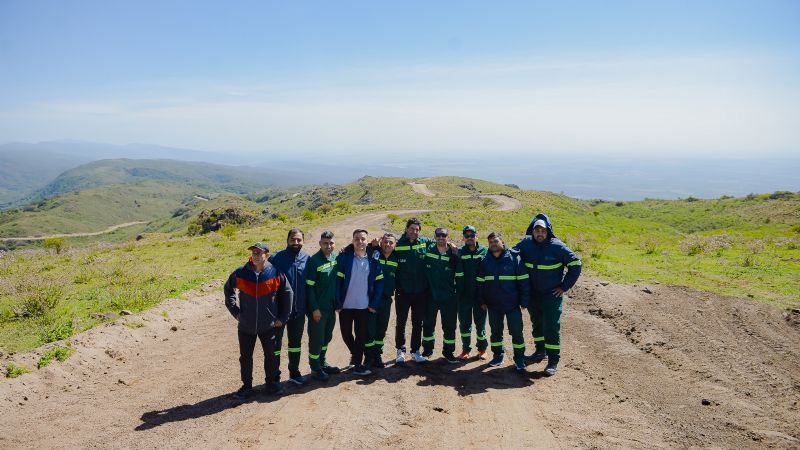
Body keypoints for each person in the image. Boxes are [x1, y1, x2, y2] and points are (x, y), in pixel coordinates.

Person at [514, 213, 582, 376]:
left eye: (543, 231)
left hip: (552, 296)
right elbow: (510, 253)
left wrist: (564, 287)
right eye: (537, 230)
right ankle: (540, 352)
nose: (540, 233)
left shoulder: (558, 247)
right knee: (537, 324)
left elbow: (576, 264)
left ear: (548, 231)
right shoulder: (526, 244)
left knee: (551, 327)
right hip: (533, 296)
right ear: (532, 231)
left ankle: (553, 361)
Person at [224, 242, 292, 399]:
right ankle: (246, 387)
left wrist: (282, 317)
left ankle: (272, 384)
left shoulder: (275, 272)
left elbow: (288, 293)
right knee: (245, 357)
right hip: (246, 325)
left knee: (271, 356)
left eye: (259, 253)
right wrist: (235, 312)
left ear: (266, 255)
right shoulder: (241, 272)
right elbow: (228, 289)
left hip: (268, 325)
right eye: (253, 252)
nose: (255, 255)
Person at [477, 232, 530, 371]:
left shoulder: (514, 258)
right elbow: (480, 283)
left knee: (517, 332)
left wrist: (524, 300)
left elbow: (524, 281)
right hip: (493, 305)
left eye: (496, 241)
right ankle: (498, 356)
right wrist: (482, 300)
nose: (493, 244)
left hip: (512, 304)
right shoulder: (485, 261)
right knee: (495, 333)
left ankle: (519, 359)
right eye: (491, 242)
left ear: (503, 242)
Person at [335, 229, 384, 376]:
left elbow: (379, 283)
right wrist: (337, 302)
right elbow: (337, 281)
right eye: (357, 239)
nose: (360, 241)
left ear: (367, 241)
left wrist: (374, 303)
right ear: (352, 241)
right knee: (346, 334)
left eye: (363, 239)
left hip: (364, 306)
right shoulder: (344, 257)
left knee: (361, 336)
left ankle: (357, 364)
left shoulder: (373, 259)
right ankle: (355, 354)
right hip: (345, 306)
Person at [269, 228, 310, 385]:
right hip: (279, 312)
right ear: (287, 240)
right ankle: (274, 376)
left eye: (299, 240)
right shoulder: (276, 259)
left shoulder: (307, 259)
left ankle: (294, 372)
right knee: (275, 345)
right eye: (293, 239)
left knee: (295, 344)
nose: (296, 242)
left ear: (303, 241)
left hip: (299, 311)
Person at [394, 218, 433, 363]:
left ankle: (415, 351)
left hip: (420, 292)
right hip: (403, 292)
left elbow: (440, 243)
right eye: (411, 228)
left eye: (417, 229)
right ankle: (400, 350)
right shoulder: (397, 244)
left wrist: (452, 245)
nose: (414, 232)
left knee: (417, 323)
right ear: (406, 229)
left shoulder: (424, 243)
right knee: (401, 323)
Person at [304, 231, 342, 381]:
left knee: (327, 337)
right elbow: (309, 287)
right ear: (320, 243)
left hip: (331, 308)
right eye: (325, 243)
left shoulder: (335, 258)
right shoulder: (314, 261)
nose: (329, 246)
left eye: (331, 243)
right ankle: (315, 368)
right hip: (319, 309)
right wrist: (314, 308)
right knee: (316, 339)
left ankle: (322, 362)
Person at [421, 227, 461, 363]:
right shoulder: (428, 250)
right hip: (430, 296)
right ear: (435, 237)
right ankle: (427, 351)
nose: (441, 237)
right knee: (428, 325)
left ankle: (448, 352)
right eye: (438, 235)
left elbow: (459, 274)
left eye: (444, 235)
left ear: (447, 237)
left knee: (449, 326)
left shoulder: (454, 252)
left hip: (449, 297)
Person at [365, 233, 398, 369]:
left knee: (381, 329)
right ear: (381, 242)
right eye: (385, 242)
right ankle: (368, 358)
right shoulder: (374, 253)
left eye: (391, 242)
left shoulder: (396, 257)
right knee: (369, 330)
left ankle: (377, 355)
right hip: (371, 299)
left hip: (386, 300)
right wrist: (371, 245)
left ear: (395, 245)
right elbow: (360, 249)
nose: (388, 244)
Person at [456, 225, 489, 360]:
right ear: (463, 238)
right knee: (464, 324)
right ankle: (465, 350)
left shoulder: (485, 251)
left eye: (472, 235)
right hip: (464, 295)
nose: (469, 238)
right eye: (467, 236)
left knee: (480, 324)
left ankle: (482, 349)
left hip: (480, 296)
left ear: (477, 236)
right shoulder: (460, 252)